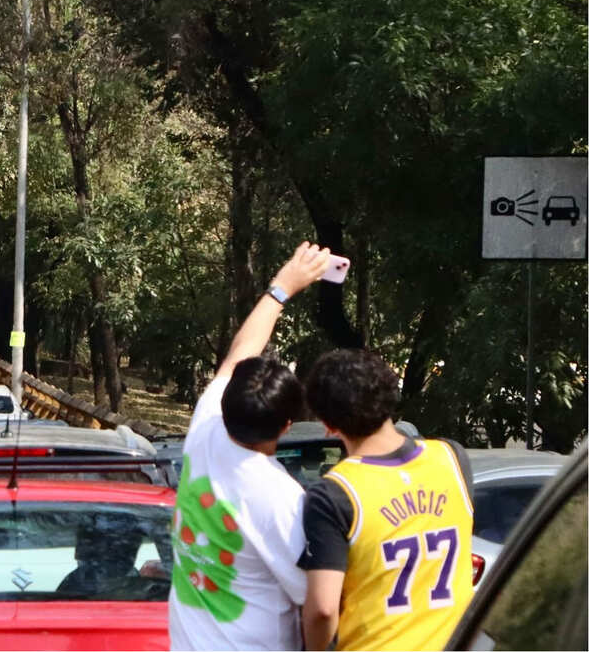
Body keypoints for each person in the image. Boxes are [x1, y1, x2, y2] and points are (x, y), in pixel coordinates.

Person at [169, 242, 330, 652]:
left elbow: (239, 355)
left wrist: (282, 287)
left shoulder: (205, 428)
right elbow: (318, 601)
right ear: (287, 426)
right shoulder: (281, 499)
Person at [298, 349, 475, 651]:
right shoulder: (451, 458)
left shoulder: (335, 493)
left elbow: (323, 610)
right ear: (390, 399)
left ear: (328, 423)